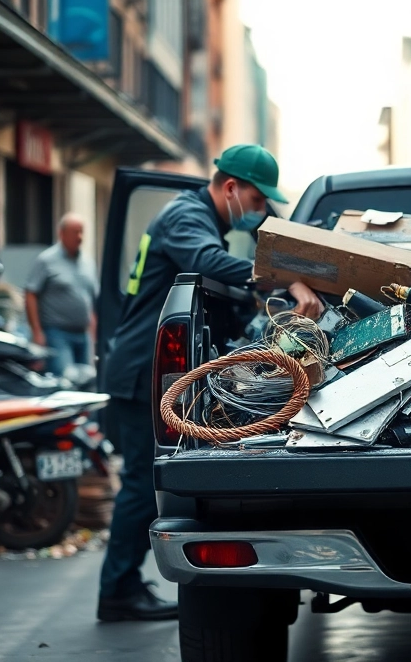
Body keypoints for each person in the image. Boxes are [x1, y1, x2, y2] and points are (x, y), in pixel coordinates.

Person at [96, 144, 323, 622]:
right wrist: (286, 278)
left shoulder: (203, 217)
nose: (259, 213)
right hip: (142, 373)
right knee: (141, 483)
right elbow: (207, 261)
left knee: (141, 481)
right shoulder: (185, 216)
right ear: (231, 188)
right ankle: (117, 590)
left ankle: (121, 585)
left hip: (146, 370)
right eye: (258, 202)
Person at [25, 214, 99, 377]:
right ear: (62, 233)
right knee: (65, 381)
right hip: (56, 333)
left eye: (81, 232)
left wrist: (94, 336)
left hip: (83, 334)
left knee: (86, 381)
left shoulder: (88, 263)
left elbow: (91, 301)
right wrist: (37, 332)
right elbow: (31, 294)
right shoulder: (46, 260)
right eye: (74, 232)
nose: (79, 237)